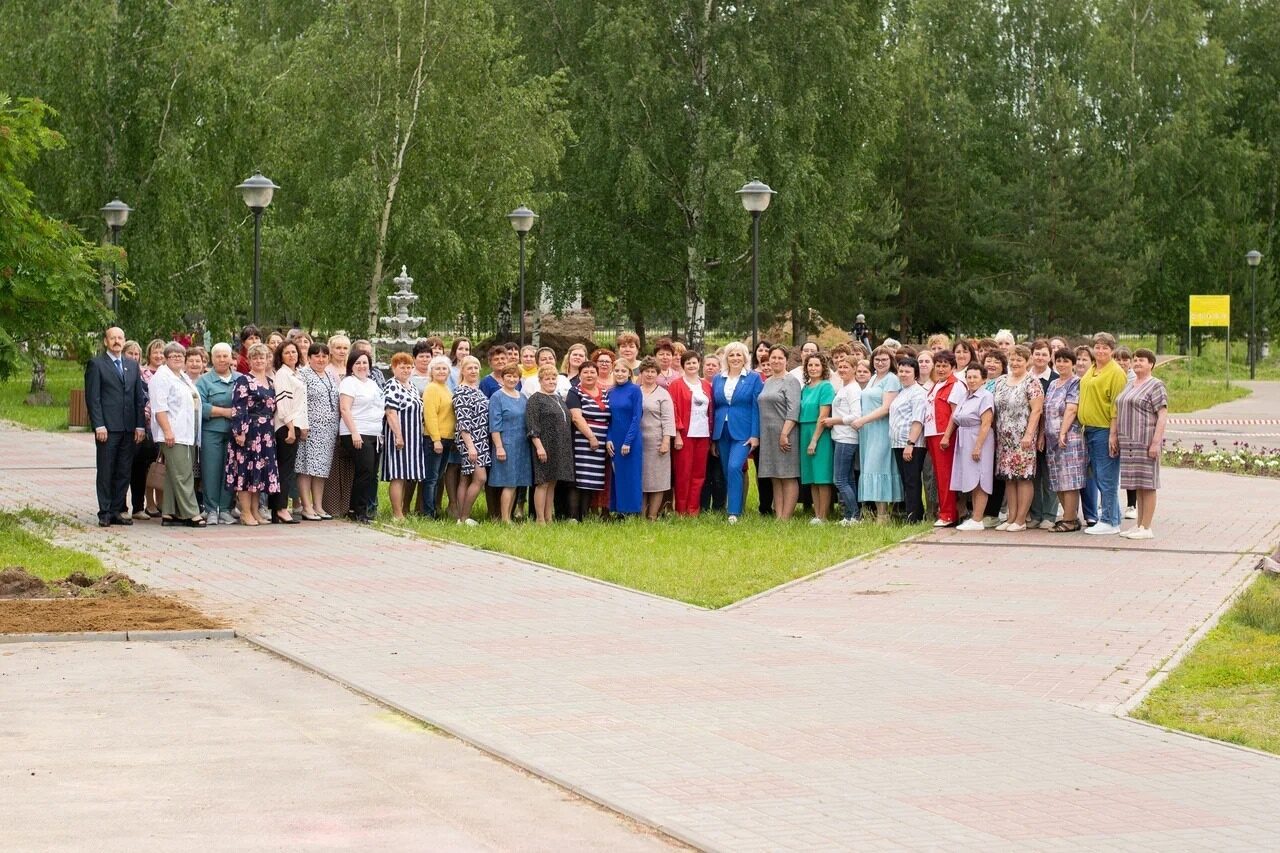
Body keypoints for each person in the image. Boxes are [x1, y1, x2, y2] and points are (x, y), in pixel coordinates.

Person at [85, 327, 148, 527]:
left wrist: (140, 426)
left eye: (120, 338)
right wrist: (99, 425)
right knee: (106, 470)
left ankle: (117, 510)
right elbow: (93, 398)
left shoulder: (132, 365)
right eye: (112, 338)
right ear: (106, 341)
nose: (116, 341)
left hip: (129, 428)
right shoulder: (97, 364)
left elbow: (138, 399)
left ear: (124, 340)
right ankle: (104, 511)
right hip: (108, 428)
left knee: (123, 471)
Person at [148, 343, 205, 527]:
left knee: (175, 473)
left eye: (180, 355)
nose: (178, 358)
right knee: (183, 474)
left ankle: (170, 512)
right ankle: (191, 513)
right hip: (173, 433)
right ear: (166, 358)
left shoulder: (182, 376)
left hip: (187, 433)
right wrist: (167, 431)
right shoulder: (161, 377)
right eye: (173, 356)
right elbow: (159, 408)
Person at [1116, 349, 1168, 540]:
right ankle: (1139, 525)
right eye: (1135, 360)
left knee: (1148, 484)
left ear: (1151, 364)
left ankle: (1147, 527)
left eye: (1142, 360)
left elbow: (1162, 415)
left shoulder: (1156, 385)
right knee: (1137, 484)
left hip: (1145, 440)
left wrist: (1156, 442)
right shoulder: (1129, 384)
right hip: (1128, 441)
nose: (1137, 363)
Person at [1079, 332, 1128, 535]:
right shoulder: (1092, 369)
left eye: (1105, 347)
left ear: (1112, 350)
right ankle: (1113, 515)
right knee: (1098, 475)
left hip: (1104, 429)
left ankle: (1109, 521)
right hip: (1089, 428)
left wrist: (1113, 434)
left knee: (1107, 477)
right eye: (1097, 347)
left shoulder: (1115, 373)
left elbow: (1117, 405)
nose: (1100, 351)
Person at [226, 343, 279, 526]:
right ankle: (245, 512)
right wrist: (239, 432)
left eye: (261, 357)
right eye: (254, 357)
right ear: (249, 360)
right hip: (249, 431)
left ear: (267, 359)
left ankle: (256, 511)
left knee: (259, 472)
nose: (258, 361)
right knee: (245, 472)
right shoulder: (244, 380)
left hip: (266, 433)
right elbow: (238, 407)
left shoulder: (270, 382)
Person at [992, 345, 1044, 531]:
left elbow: (1037, 410)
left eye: (1019, 360)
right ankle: (1011, 517)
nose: (1015, 363)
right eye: (1012, 359)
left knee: (1023, 477)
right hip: (1004, 438)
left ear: (1027, 361)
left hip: (1022, 437)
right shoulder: (1001, 381)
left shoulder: (1032, 382)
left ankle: (1021, 519)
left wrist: (1029, 434)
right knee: (1009, 477)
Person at [711, 342, 763, 523]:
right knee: (727, 470)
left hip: (743, 432)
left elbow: (756, 408)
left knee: (735, 467)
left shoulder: (753, 378)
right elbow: (714, 407)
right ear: (726, 358)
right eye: (731, 355)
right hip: (722, 431)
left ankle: (734, 512)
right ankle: (734, 506)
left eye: (738, 355)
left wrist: (755, 434)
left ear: (745, 358)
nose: (735, 358)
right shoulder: (718, 379)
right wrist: (713, 438)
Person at [854, 346, 902, 522]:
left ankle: (883, 514)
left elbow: (886, 408)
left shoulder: (891, 379)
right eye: (877, 359)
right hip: (868, 431)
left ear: (891, 361)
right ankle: (877, 512)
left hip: (881, 429)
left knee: (879, 468)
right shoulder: (873, 378)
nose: (880, 363)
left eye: (884, 360)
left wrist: (863, 420)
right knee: (869, 469)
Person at [338, 349, 385, 524]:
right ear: (351, 365)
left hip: (374, 434)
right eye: (357, 363)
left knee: (371, 473)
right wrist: (354, 432)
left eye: (365, 362)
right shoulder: (349, 383)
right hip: (356, 432)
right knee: (364, 471)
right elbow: (345, 409)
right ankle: (356, 511)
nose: (361, 366)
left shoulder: (372, 384)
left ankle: (363, 509)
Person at [379, 352, 427, 520]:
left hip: (413, 438)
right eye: (402, 367)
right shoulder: (392, 385)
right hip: (399, 437)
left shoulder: (411, 386)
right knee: (398, 475)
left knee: (407, 475)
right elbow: (390, 412)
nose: (406, 370)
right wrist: (398, 436)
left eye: (409, 367)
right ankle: (397, 514)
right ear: (393, 368)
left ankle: (403, 510)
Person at [948, 365, 996, 531]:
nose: (971, 380)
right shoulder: (965, 395)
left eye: (975, 377)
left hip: (978, 438)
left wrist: (978, 447)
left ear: (983, 379)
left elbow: (986, 423)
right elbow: (955, 417)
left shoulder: (986, 396)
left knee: (980, 478)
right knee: (971, 479)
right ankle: (975, 516)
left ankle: (977, 518)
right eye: (969, 377)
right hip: (965, 438)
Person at [195, 343, 239, 525]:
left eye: (225, 356)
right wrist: (225, 412)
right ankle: (211, 509)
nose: (222, 359)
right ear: (212, 359)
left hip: (235, 434)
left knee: (231, 471)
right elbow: (201, 406)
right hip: (211, 432)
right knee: (211, 470)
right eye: (218, 356)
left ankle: (226, 509)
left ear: (231, 358)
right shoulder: (204, 381)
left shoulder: (240, 379)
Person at [1044, 348, 1087, 532]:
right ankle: (1069, 517)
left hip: (1069, 438)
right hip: (1051, 439)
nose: (1061, 364)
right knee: (1057, 479)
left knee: (1069, 479)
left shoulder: (1075, 382)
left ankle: (1069, 519)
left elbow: (1071, 409)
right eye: (1058, 361)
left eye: (1066, 361)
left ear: (1073, 364)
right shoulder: (1053, 384)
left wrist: (1062, 432)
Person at [294, 343, 338, 521]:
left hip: (328, 431)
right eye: (317, 356)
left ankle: (318, 506)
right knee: (306, 468)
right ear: (309, 358)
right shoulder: (303, 374)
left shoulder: (329, 375)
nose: (321, 360)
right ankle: (306, 506)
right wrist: (302, 425)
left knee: (321, 469)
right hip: (310, 429)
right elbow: (300, 401)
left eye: (324, 356)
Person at [757, 346, 802, 520]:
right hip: (768, 435)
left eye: (780, 358)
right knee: (775, 476)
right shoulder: (768, 381)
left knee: (787, 475)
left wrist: (784, 434)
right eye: (773, 358)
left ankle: (786, 517)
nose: (776, 361)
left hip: (785, 433)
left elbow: (794, 409)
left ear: (786, 360)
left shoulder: (790, 381)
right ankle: (779, 516)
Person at [527, 365, 574, 523]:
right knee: (543, 482)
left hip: (559, 446)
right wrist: (539, 447)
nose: (551, 381)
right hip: (544, 445)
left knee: (552, 483)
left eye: (553, 378)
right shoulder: (535, 399)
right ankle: (540, 519)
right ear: (540, 381)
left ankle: (549, 517)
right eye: (547, 379)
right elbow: (532, 426)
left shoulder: (558, 397)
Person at [268, 340, 307, 524]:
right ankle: (281, 509)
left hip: (295, 424)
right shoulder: (283, 374)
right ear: (280, 357)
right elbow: (283, 403)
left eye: (294, 352)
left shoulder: (296, 373)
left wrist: (303, 426)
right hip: (286, 425)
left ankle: (278, 509)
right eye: (287, 353)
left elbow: (300, 404)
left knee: (287, 468)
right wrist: (291, 428)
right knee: (284, 470)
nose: (292, 355)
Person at [670, 351, 713, 516]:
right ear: (683, 365)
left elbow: (711, 410)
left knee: (699, 474)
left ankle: (693, 509)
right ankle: (681, 510)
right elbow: (673, 410)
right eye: (688, 363)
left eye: (694, 362)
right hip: (685, 435)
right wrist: (677, 433)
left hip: (703, 435)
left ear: (699, 364)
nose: (691, 365)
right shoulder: (676, 385)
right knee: (683, 473)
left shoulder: (706, 385)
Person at [923, 350, 964, 527]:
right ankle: (944, 511)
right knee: (939, 476)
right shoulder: (936, 384)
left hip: (944, 434)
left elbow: (956, 413)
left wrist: (947, 435)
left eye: (945, 366)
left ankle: (948, 514)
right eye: (938, 365)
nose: (941, 369)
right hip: (932, 433)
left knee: (945, 475)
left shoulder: (956, 385)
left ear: (952, 367)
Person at [566, 360, 611, 520]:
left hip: (601, 445)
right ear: (579, 375)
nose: (589, 375)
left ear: (597, 375)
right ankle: (573, 517)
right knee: (578, 480)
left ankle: (584, 517)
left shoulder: (605, 393)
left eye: (592, 372)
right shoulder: (575, 392)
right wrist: (591, 437)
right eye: (585, 372)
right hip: (582, 442)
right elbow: (576, 418)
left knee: (590, 481)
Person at [128, 338, 167, 519]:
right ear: (149, 354)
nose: (158, 355)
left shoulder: (169, 374)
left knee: (162, 465)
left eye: (162, 352)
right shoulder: (141, 373)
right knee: (147, 465)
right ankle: (148, 503)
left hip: (165, 426)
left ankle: (161, 502)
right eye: (155, 352)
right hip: (147, 426)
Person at [488, 365, 532, 522]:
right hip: (506, 445)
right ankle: (505, 519)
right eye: (509, 376)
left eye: (515, 377)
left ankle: (509, 517)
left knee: (516, 483)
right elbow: (494, 425)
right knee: (509, 483)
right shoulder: (497, 397)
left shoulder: (522, 397)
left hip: (522, 446)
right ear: (502, 377)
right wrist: (499, 447)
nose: (512, 379)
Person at [451, 356, 490, 525]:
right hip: (471, 440)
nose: (473, 371)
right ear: (463, 371)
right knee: (480, 478)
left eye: (476, 367)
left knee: (466, 478)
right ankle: (464, 517)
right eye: (469, 368)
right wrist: (470, 447)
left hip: (481, 438)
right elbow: (463, 421)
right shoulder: (462, 391)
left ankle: (461, 518)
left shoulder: (476, 389)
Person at [889, 356, 928, 523]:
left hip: (912, 444)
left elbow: (918, 420)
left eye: (907, 371)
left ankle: (914, 518)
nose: (903, 374)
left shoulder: (918, 393)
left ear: (915, 374)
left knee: (912, 481)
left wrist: (910, 444)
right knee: (906, 481)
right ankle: (914, 513)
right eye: (901, 371)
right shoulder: (902, 391)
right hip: (898, 443)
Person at [799, 353, 836, 524]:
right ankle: (817, 514)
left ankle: (823, 515)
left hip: (819, 433)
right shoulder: (805, 388)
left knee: (822, 476)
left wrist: (814, 440)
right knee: (812, 477)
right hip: (804, 431)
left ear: (823, 368)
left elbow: (823, 415)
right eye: (810, 365)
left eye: (817, 365)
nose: (813, 368)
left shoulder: (826, 387)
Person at [636, 357, 676, 519]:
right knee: (641, 479)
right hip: (638, 442)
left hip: (657, 442)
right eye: (647, 371)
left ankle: (652, 516)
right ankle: (640, 515)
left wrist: (666, 441)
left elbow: (668, 419)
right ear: (641, 372)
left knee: (657, 480)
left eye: (653, 371)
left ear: (657, 374)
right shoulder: (635, 391)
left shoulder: (663, 394)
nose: (650, 374)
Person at [1026, 340, 1060, 529]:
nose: (1040, 357)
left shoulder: (1055, 379)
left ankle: (1049, 514)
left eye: (1044, 354)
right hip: (1026, 434)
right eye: (1037, 353)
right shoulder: (1026, 377)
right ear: (1031, 355)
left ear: (1050, 356)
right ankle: (1035, 514)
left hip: (1048, 434)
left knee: (1049, 475)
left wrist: (1041, 435)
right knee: (1033, 476)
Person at [606, 360, 644, 515]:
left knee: (632, 475)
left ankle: (632, 511)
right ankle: (619, 510)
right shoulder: (610, 392)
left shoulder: (635, 390)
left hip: (631, 439)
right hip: (615, 438)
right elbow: (609, 418)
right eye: (617, 371)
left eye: (623, 371)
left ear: (629, 373)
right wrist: (608, 438)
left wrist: (628, 441)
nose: (620, 374)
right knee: (618, 475)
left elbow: (636, 417)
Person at [422, 355, 457, 519]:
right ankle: (428, 512)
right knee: (431, 478)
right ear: (431, 372)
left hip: (447, 439)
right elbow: (430, 416)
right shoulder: (432, 388)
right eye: (438, 368)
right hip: (435, 439)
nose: (441, 371)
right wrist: (436, 439)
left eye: (444, 368)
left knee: (438, 477)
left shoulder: (446, 389)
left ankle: (434, 509)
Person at [1073, 345, 1101, 526]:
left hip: (1091, 431)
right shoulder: (1070, 381)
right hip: (1072, 435)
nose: (1081, 363)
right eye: (1078, 359)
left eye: (1085, 359)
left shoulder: (1094, 380)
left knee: (1090, 473)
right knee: (1073, 475)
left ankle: (1091, 514)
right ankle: (1071, 513)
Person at [699, 353, 727, 513]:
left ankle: (719, 506)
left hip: (719, 433)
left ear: (720, 368)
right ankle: (703, 506)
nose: (710, 367)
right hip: (702, 434)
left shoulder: (722, 385)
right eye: (707, 364)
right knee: (704, 473)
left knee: (718, 474)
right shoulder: (698, 384)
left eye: (714, 365)